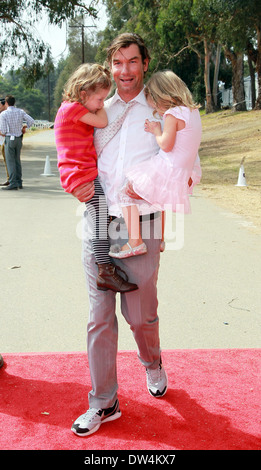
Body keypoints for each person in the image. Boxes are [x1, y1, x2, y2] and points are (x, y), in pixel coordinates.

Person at [70, 33, 170, 438]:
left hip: (143, 223)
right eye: (118, 63)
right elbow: (72, 150)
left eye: (132, 62)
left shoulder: (164, 108)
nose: (124, 71)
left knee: (139, 315)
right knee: (99, 317)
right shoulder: (97, 109)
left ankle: (152, 362)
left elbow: (181, 159)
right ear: (110, 67)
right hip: (98, 224)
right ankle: (104, 401)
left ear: (145, 63)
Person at [55, 63, 138, 294]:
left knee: (100, 218)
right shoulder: (73, 108)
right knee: (100, 221)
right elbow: (102, 121)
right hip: (79, 173)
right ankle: (104, 271)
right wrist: (99, 109)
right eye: (100, 99)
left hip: (80, 172)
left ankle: (105, 269)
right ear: (83, 94)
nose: (102, 104)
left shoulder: (73, 108)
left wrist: (95, 105)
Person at [109, 70, 202, 259]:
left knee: (124, 193)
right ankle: (160, 239)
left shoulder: (173, 114)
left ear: (161, 96)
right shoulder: (193, 112)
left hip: (167, 168)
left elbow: (166, 145)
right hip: (185, 170)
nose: (159, 113)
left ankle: (135, 242)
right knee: (159, 201)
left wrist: (156, 130)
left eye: (157, 108)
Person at [0, 95, 34, 190]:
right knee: (17, 160)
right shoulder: (20, 111)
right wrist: (24, 127)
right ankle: (19, 182)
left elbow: (3, 131)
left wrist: (3, 132)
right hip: (18, 138)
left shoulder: (4, 114)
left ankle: (13, 182)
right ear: (14, 103)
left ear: (6, 103)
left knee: (10, 161)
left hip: (9, 138)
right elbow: (31, 121)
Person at [0, 97, 9, 186]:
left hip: (5, 140)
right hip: (3, 140)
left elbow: (3, 131)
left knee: (8, 161)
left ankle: (10, 179)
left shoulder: (5, 115)